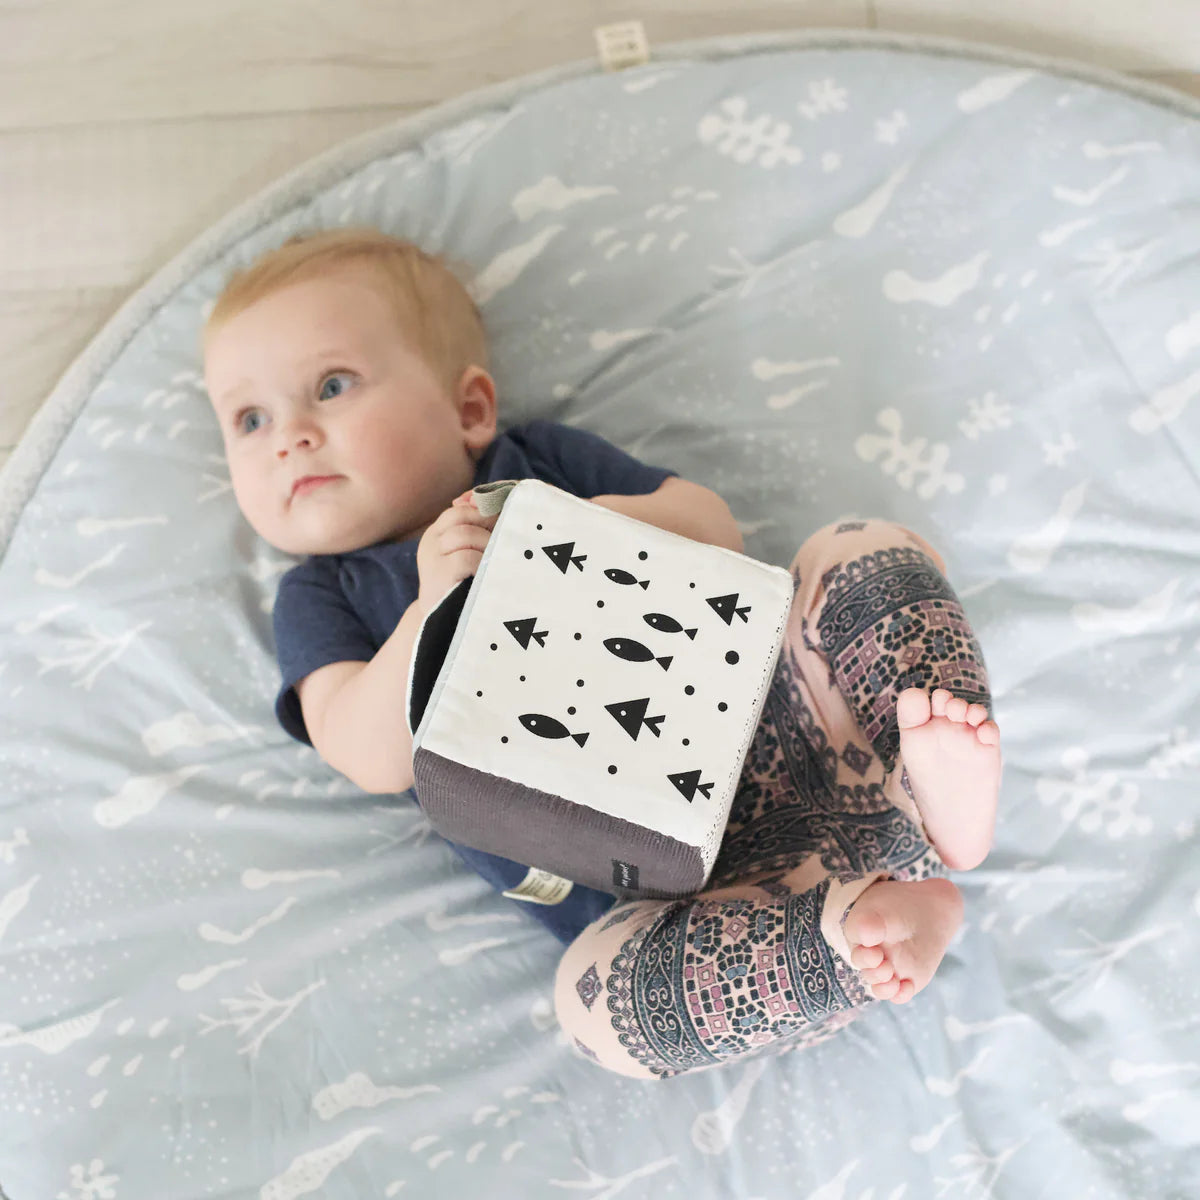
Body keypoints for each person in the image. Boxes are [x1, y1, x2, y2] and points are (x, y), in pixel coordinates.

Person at [201, 225, 1003, 1080]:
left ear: (470, 410)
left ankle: (934, 790)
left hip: (803, 744)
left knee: (857, 547)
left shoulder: (533, 463)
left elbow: (709, 526)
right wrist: (440, 603)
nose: (289, 436)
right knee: (591, 1004)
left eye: (331, 386)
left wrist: (546, 533)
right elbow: (364, 752)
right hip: (676, 896)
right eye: (249, 419)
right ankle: (850, 938)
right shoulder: (324, 596)